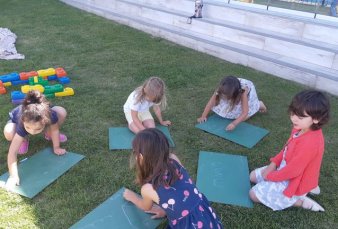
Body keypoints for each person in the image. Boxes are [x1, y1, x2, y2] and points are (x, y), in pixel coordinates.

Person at [123, 128, 223, 228]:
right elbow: (180, 190)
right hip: (203, 214)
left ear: (140, 157)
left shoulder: (148, 188)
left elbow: (145, 206)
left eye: (134, 152)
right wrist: (167, 210)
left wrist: (131, 197)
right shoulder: (173, 158)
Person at [249, 90, 330, 212]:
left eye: (300, 117)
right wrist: (272, 165)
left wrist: (271, 176)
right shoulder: (301, 127)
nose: (294, 119)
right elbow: (286, 149)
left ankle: (299, 201)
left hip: (295, 180)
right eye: (293, 113)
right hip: (285, 168)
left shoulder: (310, 143)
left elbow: (293, 171)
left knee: (253, 195)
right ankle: (308, 187)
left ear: (316, 119)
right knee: (252, 177)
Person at [3, 90, 67, 187]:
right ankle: (23, 140)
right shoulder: (21, 123)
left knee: (61, 111)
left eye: (37, 129)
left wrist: (56, 147)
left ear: (45, 122)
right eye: (28, 128)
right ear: (24, 122)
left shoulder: (50, 116)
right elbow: (12, 152)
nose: (32, 132)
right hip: (16, 122)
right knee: (8, 131)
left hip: (43, 117)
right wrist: (13, 176)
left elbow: (55, 130)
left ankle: (48, 134)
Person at [197, 76, 266, 131]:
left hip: (244, 91)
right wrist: (203, 116)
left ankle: (259, 104)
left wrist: (234, 124)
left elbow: (245, 112)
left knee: (243, 118)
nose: (224, 99)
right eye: (223, 97)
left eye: (226, 98)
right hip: (233, 88)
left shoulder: (242, 92)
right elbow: (211, 102)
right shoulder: (221, 89)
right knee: (232, 113)